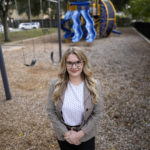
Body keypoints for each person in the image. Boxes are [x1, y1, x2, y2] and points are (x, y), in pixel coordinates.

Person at [47, 47, 103, 150]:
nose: (74, 66)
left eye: (78, 62)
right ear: (65, 64)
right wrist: (66, 133)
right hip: (64, 136)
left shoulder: (94, 85)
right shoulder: (55, 84)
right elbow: (51, 111)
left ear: (83, 63)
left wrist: (79, 134)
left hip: (86, 135)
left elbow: (97, 113)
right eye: (69, 63)